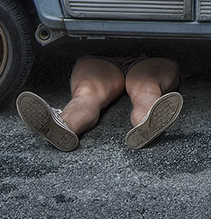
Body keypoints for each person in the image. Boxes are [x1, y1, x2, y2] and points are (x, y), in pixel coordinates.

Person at [15, 55, 183, 152]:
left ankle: (64, 123)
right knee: (147, 89)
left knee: (86, 93)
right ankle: (145, 121)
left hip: (101, 53)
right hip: (152, 55)